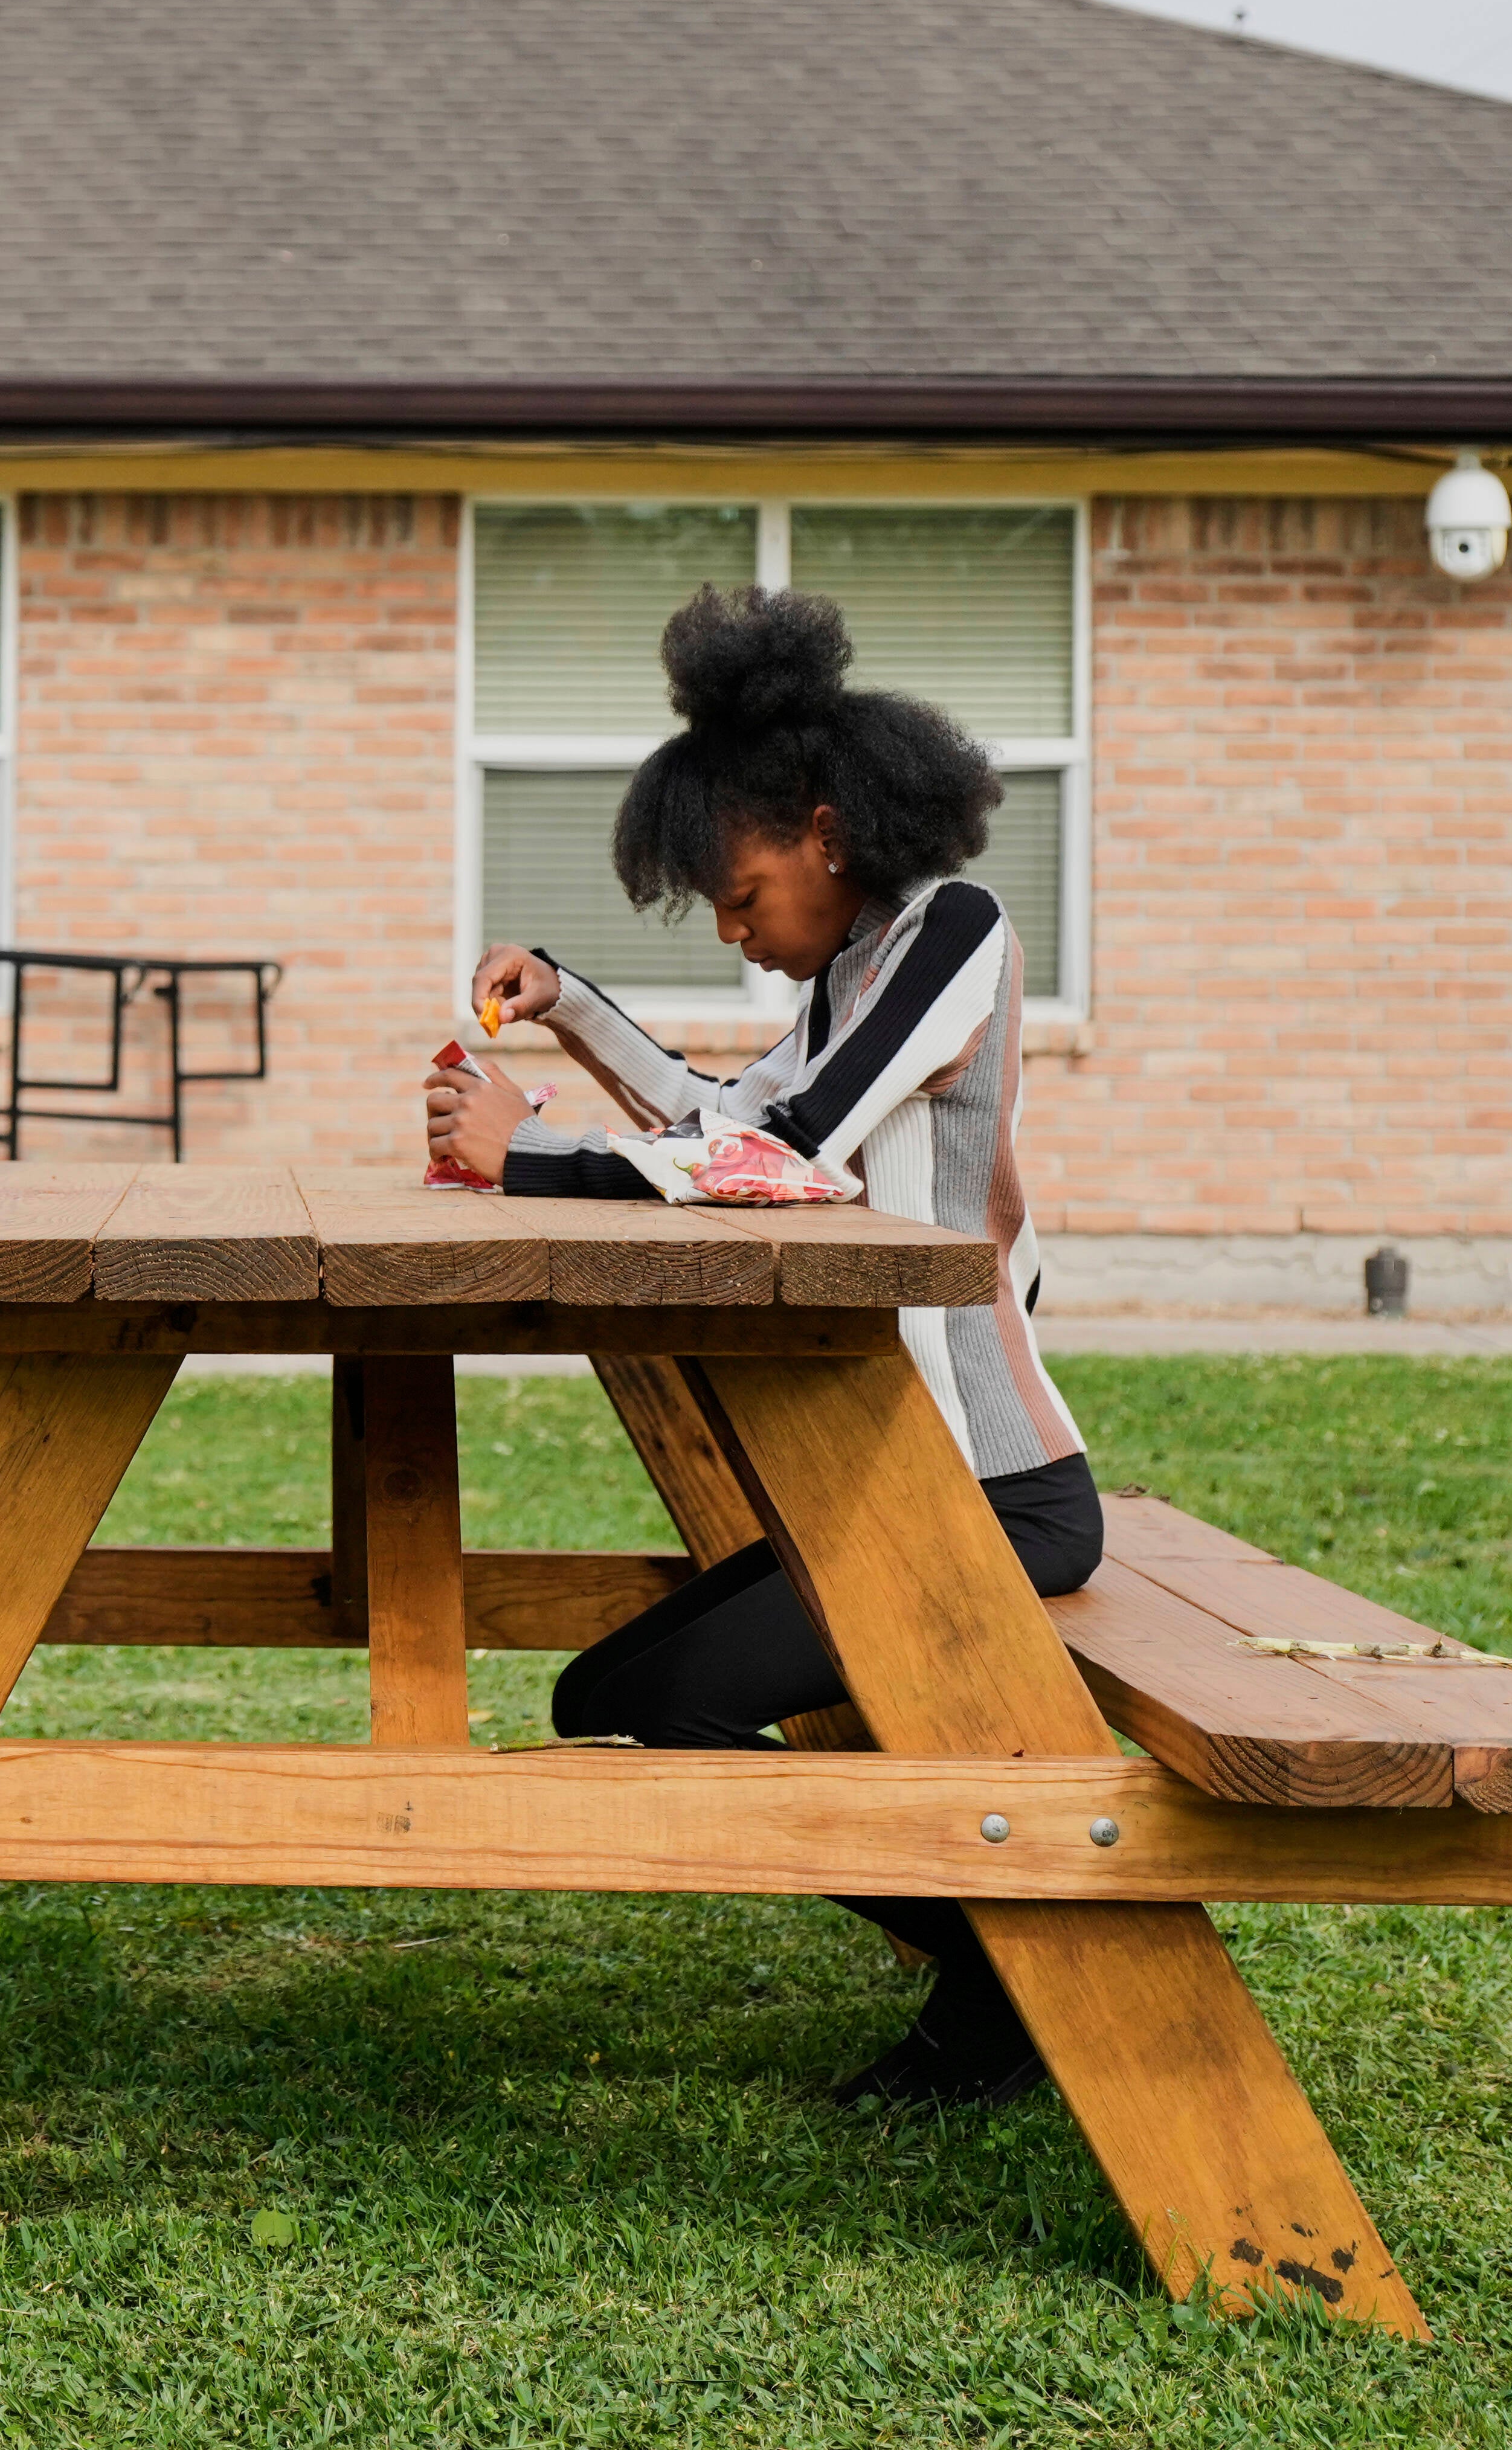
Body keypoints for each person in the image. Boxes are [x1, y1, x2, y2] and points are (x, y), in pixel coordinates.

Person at [419, 582, 1093, 2109]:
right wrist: (569, 1009)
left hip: (995, 1490)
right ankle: (1004, 1966)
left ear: (824, 830)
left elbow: (793, 1150)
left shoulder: (951, 934)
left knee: (665, 1705)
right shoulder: (849, 968)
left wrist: (527, 1159)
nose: (736, 931)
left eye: (739, 894)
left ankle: (1014, 1976)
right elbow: (728, 1116)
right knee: (606, 1697)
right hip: (886, 1482)